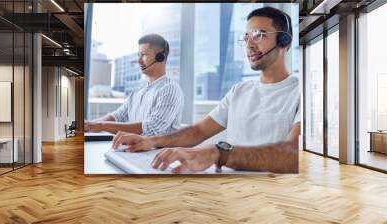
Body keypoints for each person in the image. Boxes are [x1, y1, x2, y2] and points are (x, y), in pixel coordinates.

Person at [113, 7, 300, 174]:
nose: (249, 44)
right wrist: (151, 141)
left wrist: (218, 154)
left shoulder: (300, 93)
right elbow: (198, 132)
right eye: (246, 37)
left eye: (258, 35)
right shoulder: (239, 91)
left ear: (284, 41)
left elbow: (292, 154)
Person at [84, 34, 184, 137]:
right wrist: (89, 125)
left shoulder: (170, 89)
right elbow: (118, 116)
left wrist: (101, 125)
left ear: (160, 57)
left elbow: (151, 129)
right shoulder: (138, 90)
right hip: (132, 151)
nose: (139, 60)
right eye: (138, 55)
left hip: (157, 152)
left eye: (144, 55)